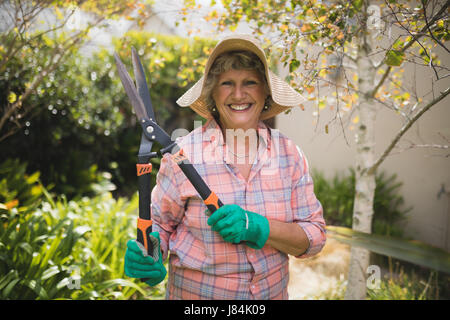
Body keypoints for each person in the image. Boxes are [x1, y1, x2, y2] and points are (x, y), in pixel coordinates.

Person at [124, 34, 326, 299]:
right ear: (213, 94)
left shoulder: (289, 154)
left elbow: (314, 237)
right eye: (227, 83)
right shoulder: (183, 154)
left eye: (250, 82)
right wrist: (149, 257)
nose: (239, 94)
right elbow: (160, 226)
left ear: (265, 92)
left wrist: (258, 227)